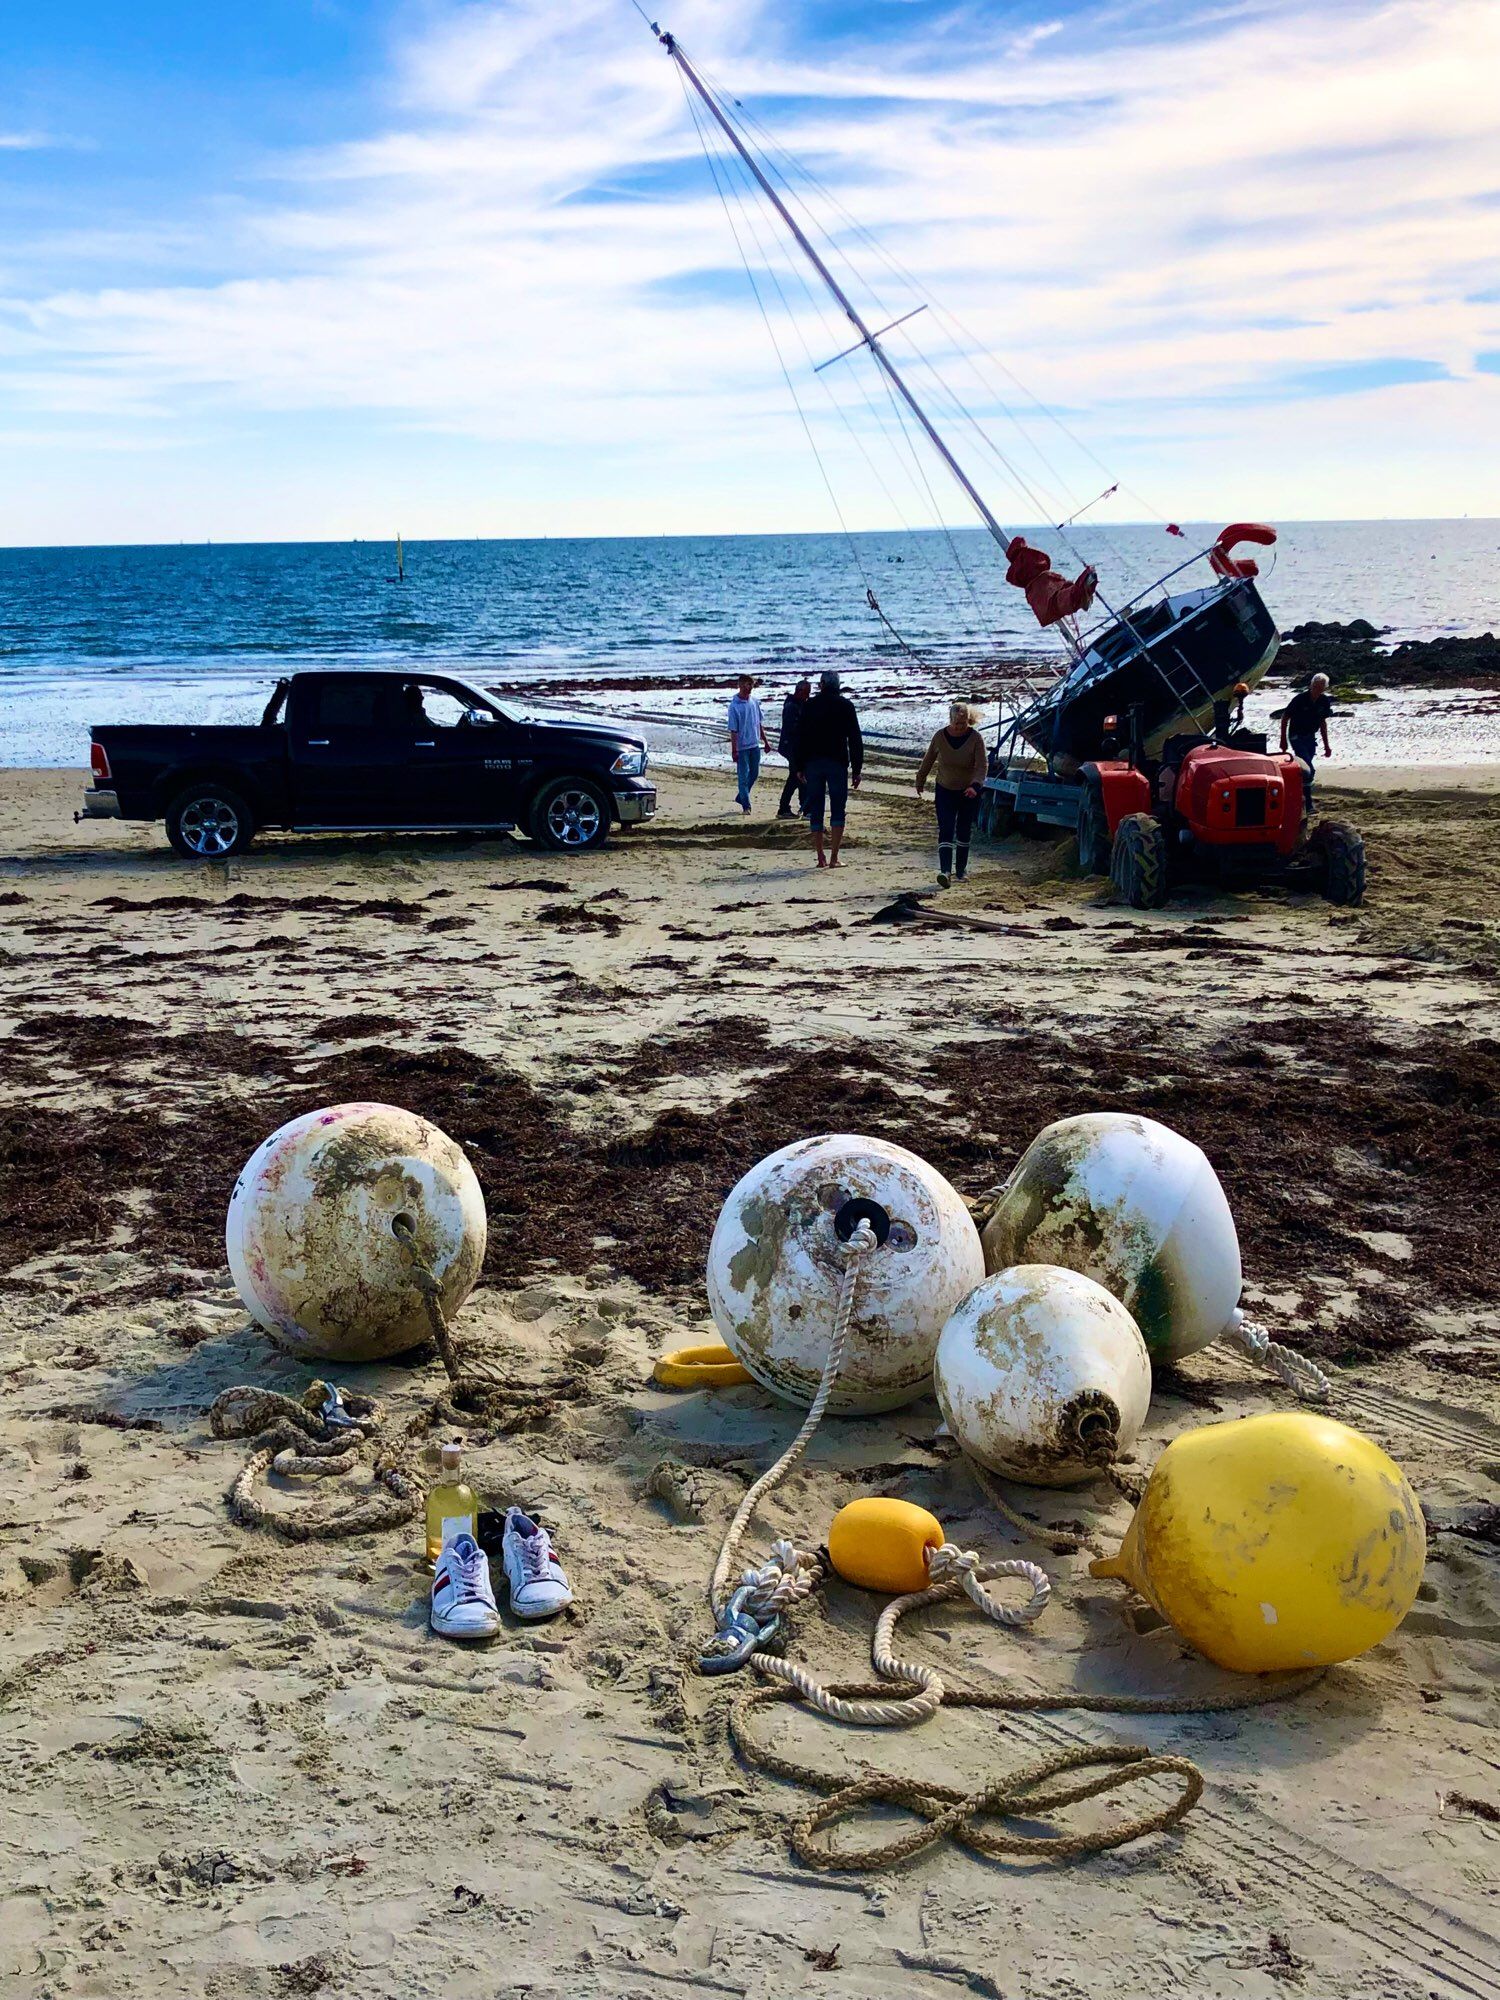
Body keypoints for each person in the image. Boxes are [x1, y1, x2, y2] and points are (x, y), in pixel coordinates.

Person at [796, 669, 863, 868]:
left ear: (821, 684)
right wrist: (857, 769)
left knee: (816, 807)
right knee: (837, 809)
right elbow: (855, 739)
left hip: (813, 763)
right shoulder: (846, 706)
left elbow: (801, 737)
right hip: (837, 762)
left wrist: (798, 766)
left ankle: (820, 857)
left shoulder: (810, 705)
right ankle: (834, 857)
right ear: (838, 685)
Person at [916, 702, 987, 885]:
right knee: (946, 828)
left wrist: (975, 785)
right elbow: (928, 759)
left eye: (962, 724)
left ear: (967, 722)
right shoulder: (940, 736)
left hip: (968, 792)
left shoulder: (975, 738)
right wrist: (920, 779)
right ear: (950, 720)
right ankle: (945, 872)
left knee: (963, 831)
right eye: (956, 724)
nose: (959, 727)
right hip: (944, 789)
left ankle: (961, 871)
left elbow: (981, 766)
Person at [1279, 672, 1334, 802]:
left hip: (1310, 738)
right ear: (1311, 685)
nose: (1316, 690)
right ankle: (1308, 802)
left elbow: (1322, 723)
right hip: (1296, 736)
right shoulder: (1300, 699)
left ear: (1324, 688)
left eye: (1320, 688)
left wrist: (1327, 746)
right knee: (1308, 768)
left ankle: (1299, 794)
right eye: (1315, 686)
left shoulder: (1324, 701)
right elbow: (1285, 718)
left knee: (1307, 771)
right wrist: (1283, 740)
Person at [726, 674, 770, 814]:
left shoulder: (754, 702)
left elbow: (759, 724)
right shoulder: (734, 706)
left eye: (751, 684)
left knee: (754, 773)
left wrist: (765, 741)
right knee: (743, 776)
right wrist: (734, 750)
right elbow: (733, 730)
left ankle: (741, 796)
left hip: (754, 744)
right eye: (746, 684)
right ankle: (746, 805)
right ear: (740, 685)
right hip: (742, 747)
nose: (749, 687)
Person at [776, 678, 811, 819]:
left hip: (794, 746)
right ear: (800, 691)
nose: (808, 696)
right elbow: (793, 730)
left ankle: (802, 807)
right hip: (791, 747)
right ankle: (786, 808)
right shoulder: (792, 706)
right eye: (807, 693)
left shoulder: (798, 704)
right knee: (796, 776)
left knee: (799, 776)